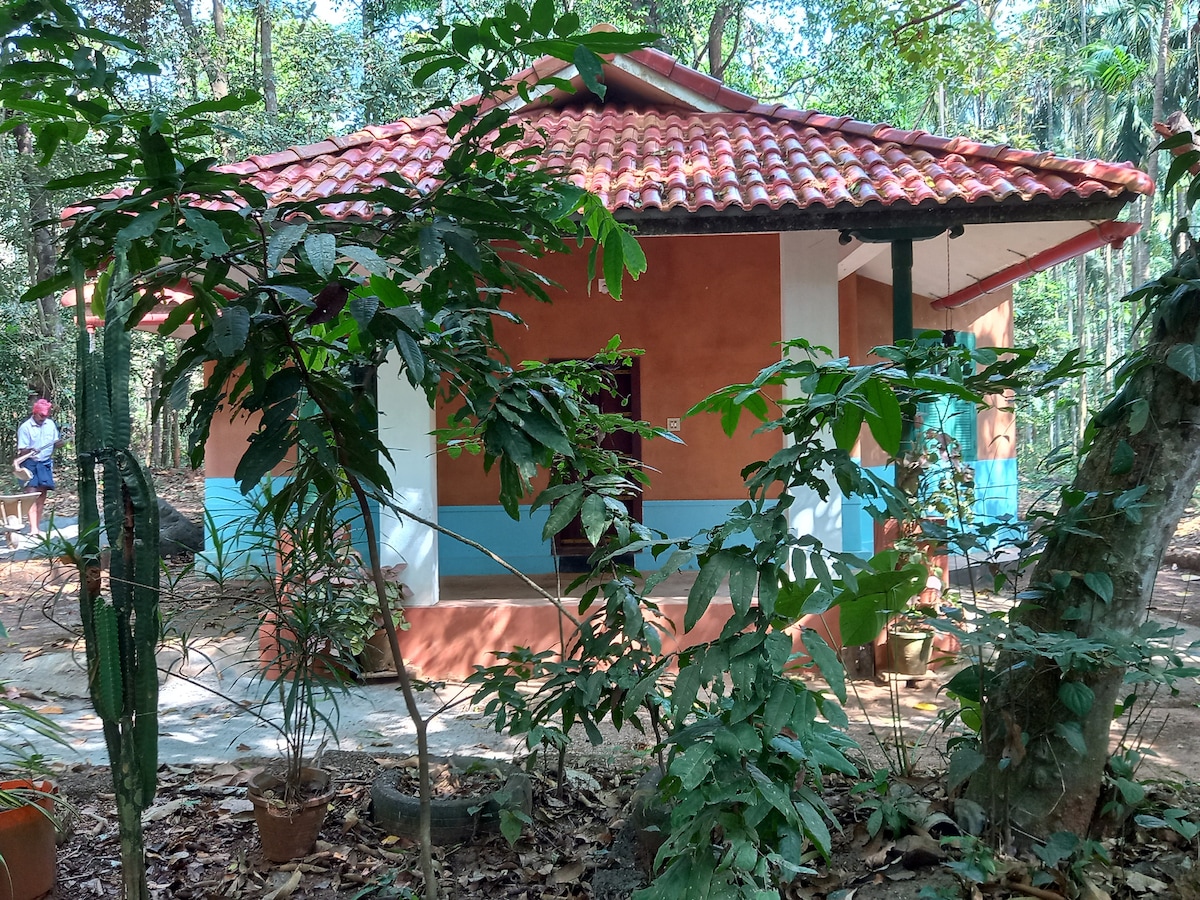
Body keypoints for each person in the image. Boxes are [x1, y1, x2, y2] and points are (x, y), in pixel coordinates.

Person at [15, 398, 64, 537]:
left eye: (46, 416)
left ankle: (37, 526)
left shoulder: (50, 424)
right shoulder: (25, 427)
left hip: (45, 463)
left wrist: (61, 443)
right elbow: (22, 450)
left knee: (42, 495)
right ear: (35, 413)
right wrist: (31, 450)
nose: (43, 418)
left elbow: (55, 443)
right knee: (31, 495)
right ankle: (33, 529)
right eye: (41, 415)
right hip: (30, 463)